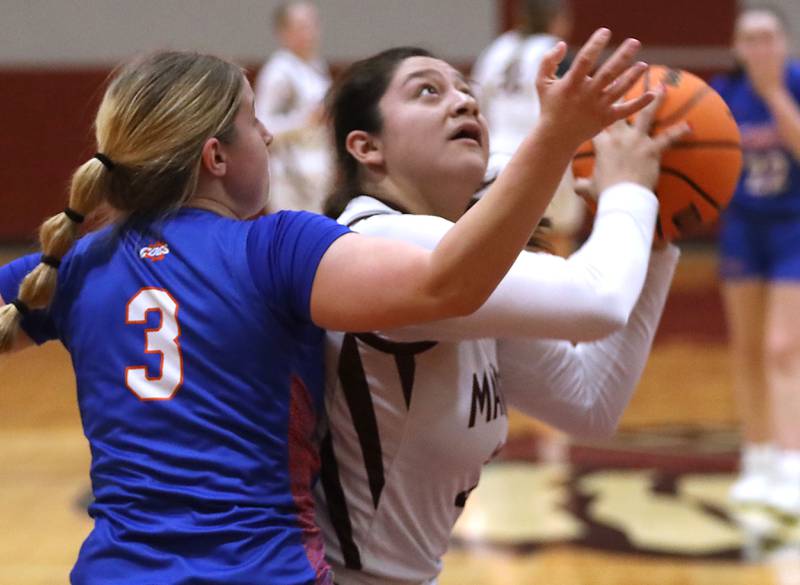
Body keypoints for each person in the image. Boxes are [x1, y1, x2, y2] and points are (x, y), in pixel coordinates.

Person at [0, 31, 649, 584]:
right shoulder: (276, 247)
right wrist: (556, 139)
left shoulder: (77, 265)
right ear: (216, 156)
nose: (271, 139)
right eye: (256, 123)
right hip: (262, 569)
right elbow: (451, 281)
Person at [315, 44, 688, 584]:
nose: (464, 102)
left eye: (469, 92)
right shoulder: (383, 238)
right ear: (367, 147)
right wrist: (629, 192)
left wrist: (654, 240)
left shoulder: (467, 272)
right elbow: (598, 299)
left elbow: (589, 404)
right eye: (428, 90)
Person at [711, 6, 800, 516]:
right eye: (750, 38)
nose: (760, 47)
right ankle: (758, 459)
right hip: (744, 228)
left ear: (784, 43)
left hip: (793, 227)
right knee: (747, 350)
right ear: (737, 47)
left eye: (769, 37)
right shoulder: (722, 95)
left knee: (783, 348)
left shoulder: (794, 83)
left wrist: (774, 95)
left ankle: (791, 463)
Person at [472, 0, 584, 256]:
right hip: (543, 153)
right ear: (557, 19)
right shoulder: (555, 52)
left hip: (496, 156)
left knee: (501, 245)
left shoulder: (497, 49)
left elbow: (477, 103)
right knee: (557, 239)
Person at [254, 0, 331, 212]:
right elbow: (263, 126)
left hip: (318, 175)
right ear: (283, 32)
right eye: (301, 26)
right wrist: (306, 120)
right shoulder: (279, 70)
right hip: (291, 180)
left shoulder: (316, 66)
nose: (310, 32)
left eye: (312, 24)